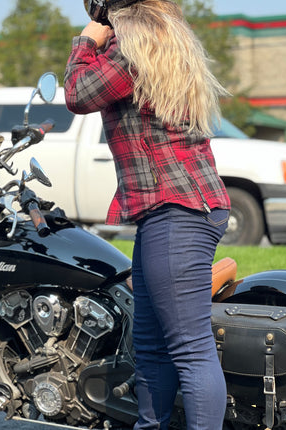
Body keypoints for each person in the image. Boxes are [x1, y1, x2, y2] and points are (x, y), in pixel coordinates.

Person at [64, 0, 231, 428]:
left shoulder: (134, 45)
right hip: (169, 210)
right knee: (153, 345)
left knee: (190, 348)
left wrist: (86, 40)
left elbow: (78, 94)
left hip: (177, 209)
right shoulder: (162, 35)